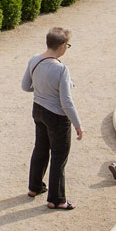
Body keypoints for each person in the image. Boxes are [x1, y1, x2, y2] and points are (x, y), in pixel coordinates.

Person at [21, 27, 84, 210]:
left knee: (40, 148)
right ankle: (56, 199)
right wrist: (77, 124)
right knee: (59, 156)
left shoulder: (34, 59)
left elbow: (26, 86)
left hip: (38, 110)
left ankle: (34, 187)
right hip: (57, 116)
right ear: (62, 46)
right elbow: (66, 101)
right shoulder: (61, 69)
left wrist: (41, 91)